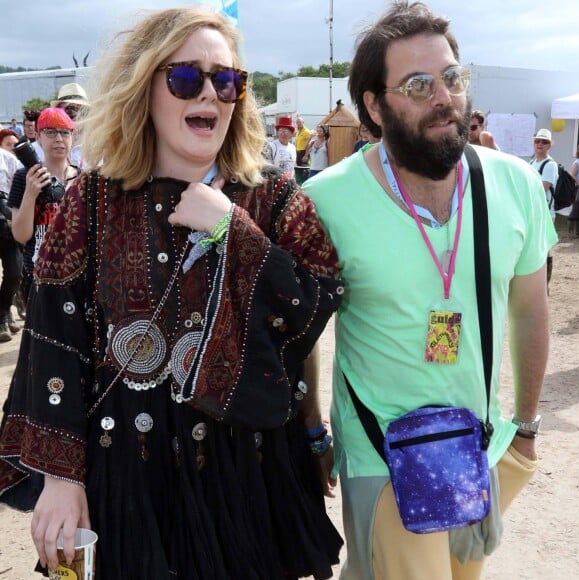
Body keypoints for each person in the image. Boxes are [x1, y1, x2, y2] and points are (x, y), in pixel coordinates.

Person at [0, 8, 343, 579]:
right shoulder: (94, 200)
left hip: (248, 472)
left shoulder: (274, 198)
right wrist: (61, 479)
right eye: (187, 78)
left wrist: (232, 230)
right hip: (129, 476)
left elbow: (313, 308)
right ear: (146, 87)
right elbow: (53, 342)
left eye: (227, 79)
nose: (210, 92)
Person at [303, 2, 557, 579]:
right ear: (374, 104)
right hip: (381, 452)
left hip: (479, 446)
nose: (444, 97)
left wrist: (527, 428)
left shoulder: (513, 183)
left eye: (452, 78)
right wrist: (313, 430)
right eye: (419, 84)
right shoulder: (325, 201)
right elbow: (302, 334)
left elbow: (530, 310)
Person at [8, 107, 79, 303]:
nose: (58, 138)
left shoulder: (83, 179)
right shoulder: (25, 176)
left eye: (65, 132)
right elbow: (21, 235)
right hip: (38, 275)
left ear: (72, 136)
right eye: (50, 132)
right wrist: (31, 194)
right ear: (38, 137)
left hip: (78, 276)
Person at [529, 128, 558, 288]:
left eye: (544, 141)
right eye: (537, 141)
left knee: (544, 248)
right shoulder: (533, 162)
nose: (540, 144)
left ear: (549, 145)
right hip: (534, 211)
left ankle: (544, 285)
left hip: (545, 212)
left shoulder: (550, 165)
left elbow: (543, 188)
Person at [0, 147, 23, 341]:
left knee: (15, 273)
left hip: (7, 226)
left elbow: (21, 190)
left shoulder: (8, 159)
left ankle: (4, 310)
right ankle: (2, 319)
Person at [51, 82, 90, 168]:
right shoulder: (47, 146)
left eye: (76, 108)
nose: (71, 112)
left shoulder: (97, 146)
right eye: (67, 108)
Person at [567, 145, 579, 235]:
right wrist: (578, 182)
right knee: (576, 209)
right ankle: (573, 231)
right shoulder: (577, 162)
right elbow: (571, 175)